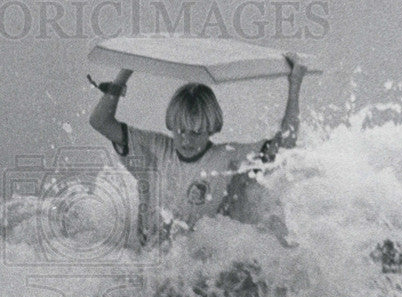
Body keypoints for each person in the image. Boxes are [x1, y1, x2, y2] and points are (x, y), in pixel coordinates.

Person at [88, 53, 307, 247]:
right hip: (148, 259)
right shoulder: (155, 146)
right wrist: (126, 72)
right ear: (171, 125)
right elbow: (100, 121)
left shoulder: (226, 157)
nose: (186, 140)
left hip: (193, 267)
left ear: (211, 129)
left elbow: (285, 146)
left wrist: (294, 84)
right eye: (181, 131)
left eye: (196, 133)